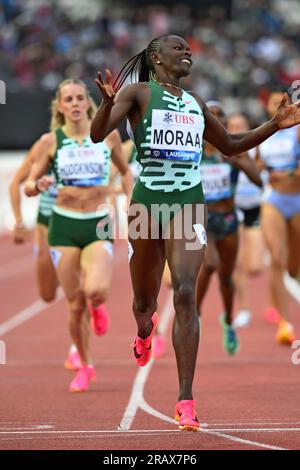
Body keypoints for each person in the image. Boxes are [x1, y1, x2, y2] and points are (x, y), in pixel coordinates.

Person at [90, 34, 300, 431]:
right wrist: (104, 106)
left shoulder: (196, 104)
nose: (187, 52)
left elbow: (233, 145)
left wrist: (274, 124)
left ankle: (185, 399)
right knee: (143, 302)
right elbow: (98, 136)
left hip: (188, 203)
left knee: (186, 290)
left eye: (188, 48)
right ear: (156, 57)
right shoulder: (137, 93)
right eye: (177, 47)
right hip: (145, 205)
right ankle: (143, 330)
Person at [25, 78, 133, 392]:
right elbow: (30, 183)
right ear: (60, 107)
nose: (73, 104)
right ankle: (85, 365)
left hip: (98, 223)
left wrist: (131, 204)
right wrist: (39, 185)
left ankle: (98, 305)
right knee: (74, 305)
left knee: (95, 290)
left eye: (78, 98)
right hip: (63, 226)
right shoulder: (51, 141)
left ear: (88, 103)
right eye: (67, 99)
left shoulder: (107, 136)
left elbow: (125, 172)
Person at [9, 132, 81, 371]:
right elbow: (15, 183)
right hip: (46, 225)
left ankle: (78, 349)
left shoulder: (87, 144)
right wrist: (19, 222)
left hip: (76, 223)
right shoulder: (44, 145)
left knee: (80, 291)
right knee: (48, 294)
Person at [196, 102, 263, 355]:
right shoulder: (195, 149)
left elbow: (257, 180)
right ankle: (196, 313)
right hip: (203, 219)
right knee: (210, 263)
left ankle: (228, 320)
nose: (213, 119)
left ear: (222, 122)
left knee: (226, 276)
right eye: (208, 115)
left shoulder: (232, 147)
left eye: (218, 116)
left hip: (228, 220)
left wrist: (237, 160)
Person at [257, 90, 300, 344]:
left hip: (297, 200)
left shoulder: (296, 132)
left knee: (293, 265)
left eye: (283, 101)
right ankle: (285, 324)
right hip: (272, 201)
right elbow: (257, 165)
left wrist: (289, 176)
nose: (279, 106)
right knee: (277, 258)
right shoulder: (264, 136)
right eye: (274, 103)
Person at [227, 113, 267, 329]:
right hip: (235, 209)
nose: (236, 128)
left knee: (255, 267)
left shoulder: (258, 148)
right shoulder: (225, 150)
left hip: (256, 208)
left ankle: (268, 306)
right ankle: (243, 309)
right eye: (232, 125)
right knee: (239, 265)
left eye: (240, 124)